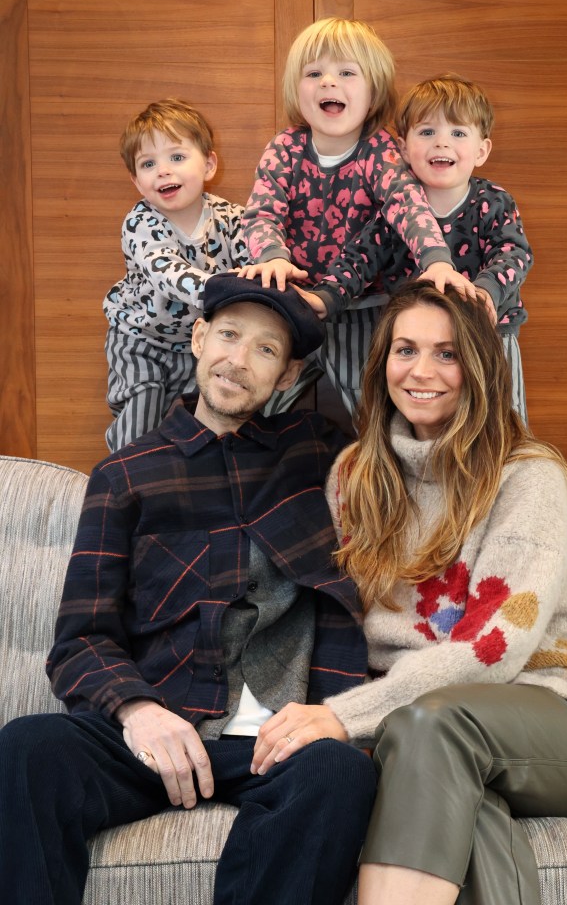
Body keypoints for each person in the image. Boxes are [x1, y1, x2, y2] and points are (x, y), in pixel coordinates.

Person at [0, 274, 377, 905]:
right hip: (160, 724)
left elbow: (433, 490)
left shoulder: (321, 456)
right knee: (26, 750)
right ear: (199, 338)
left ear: (286, 377)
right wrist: (139, 712)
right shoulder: (126, 476)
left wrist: (552, 608)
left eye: (265, 349)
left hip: (280, 740)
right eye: (228, 335)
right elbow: (81, 639)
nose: (238, 360)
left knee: (338, 773)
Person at [313, 281, 567, 904]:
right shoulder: (352, 477)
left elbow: (495, 645)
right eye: (405, 349)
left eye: (447, 353)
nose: (422, 371)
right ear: (381, 361)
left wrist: (342, 716)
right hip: (419, 726)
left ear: (479, 368)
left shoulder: (527, 476)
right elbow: (328, 611)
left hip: (560, 714)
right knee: (454, 794)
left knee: (433, 727)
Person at [238, 18, 475, 416]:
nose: (329, 82)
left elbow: (407, 204)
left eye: (347, 72)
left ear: (373, 92)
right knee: (260, 399)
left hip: (362, 307)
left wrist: (436, 259)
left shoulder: (377, 150)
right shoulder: (285, 147)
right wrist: (272, 256)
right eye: (314, 73)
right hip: (294, 301)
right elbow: (262, 211)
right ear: (298, 90)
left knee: (369, 405)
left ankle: (383, 469)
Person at [338, 74, 534, 422]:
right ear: (402, 149)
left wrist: (486, 292)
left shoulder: (493, 202)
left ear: (481, 150)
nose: (441, 143)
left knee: (502, 419)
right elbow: (360, 258)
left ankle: (506, 471)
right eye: (427, 132)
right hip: (419, 346)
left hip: (490, 334)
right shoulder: (397, 209)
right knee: (407, 421)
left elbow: (514, 254)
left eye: (458, 133)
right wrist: (327, 296)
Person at [103, 98, 248, 451]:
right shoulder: (140, 223)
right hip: (140, 340)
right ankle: (117, 485)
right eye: (148, 164)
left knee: (201, 426)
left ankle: (186, 490)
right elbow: (168, 272)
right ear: (137, 181)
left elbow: (252, 266)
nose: (163, 171)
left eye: (177, 157)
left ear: (209, 164)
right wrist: (222, 287)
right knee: (141, 412)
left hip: (196, 346)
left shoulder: (232, 218)